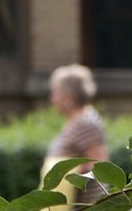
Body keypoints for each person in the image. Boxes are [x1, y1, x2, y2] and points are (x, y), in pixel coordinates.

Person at [43, 64, 107, 210]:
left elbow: (100, 167)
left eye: (55, 92)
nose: (52, 98)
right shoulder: (77, 121)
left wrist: (68, 174)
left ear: (69, 97)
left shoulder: (85, 123)